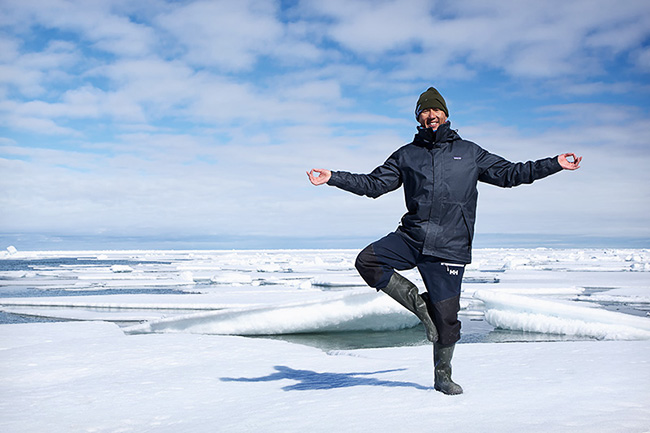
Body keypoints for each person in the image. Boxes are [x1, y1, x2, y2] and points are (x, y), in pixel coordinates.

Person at [307, 87, 582, 395]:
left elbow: (511, 173)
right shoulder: (406, 155)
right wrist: (333, 177)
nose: (431, 115)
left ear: (446, 114)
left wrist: (554, 163)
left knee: (447, 321)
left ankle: (442, 376)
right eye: (425, 111)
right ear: (418, 118)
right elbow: (374, 184)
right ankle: (418, 303)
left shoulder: (470, 152)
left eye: (435, 110)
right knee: (368, 260)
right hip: (412, 236)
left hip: (450, 246)